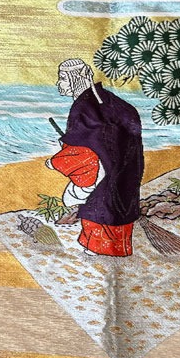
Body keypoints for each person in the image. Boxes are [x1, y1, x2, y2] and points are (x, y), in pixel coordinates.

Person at [46, 59, 144, 256]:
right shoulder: (109, 101)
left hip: (104, 169)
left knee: (99, 210)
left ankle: (96, 252)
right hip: (126, 167)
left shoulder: (84, 108)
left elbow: (83, 151)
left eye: (63, 78)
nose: (59, 84)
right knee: (118, 206)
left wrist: (56, 160)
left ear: (76, 78)